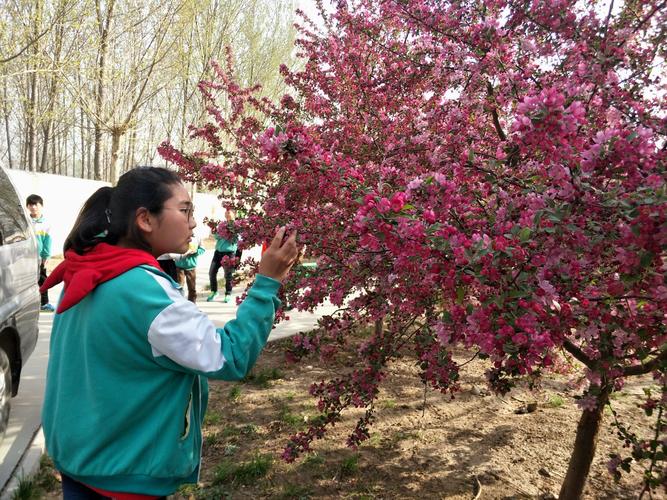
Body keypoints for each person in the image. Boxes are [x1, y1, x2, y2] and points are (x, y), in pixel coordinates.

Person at [39, 166, 298, 499]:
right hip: (125, 474)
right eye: (185, 210)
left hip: (83, 460)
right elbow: (230, 356)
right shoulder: (145, 293)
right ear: (145, 219)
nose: (193, 223)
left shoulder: (90, 269)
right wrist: (266, 285)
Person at [26, 194, 55, 312]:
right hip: (26, 258)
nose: (33, 207)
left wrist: (46, 256)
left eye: (36, 204)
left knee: (42, 279)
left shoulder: (46, 224)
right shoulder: (25, 221)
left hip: (39, 258)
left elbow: (48, 241)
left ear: (41, 206)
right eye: (30, 204)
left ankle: (44, 303)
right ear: (27, 206)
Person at [207, 208, 239, 303]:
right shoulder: (222, 224)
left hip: (229, 253)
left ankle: (228, 293)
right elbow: (216, 236)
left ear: (234, 214)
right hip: (218, 253)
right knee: (212, 272)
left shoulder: (237, 226)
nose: (227, 213)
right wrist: (219, 232)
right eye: (226, 212)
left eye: (229, 212)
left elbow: (236, 239)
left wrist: (228, 233)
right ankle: (214, 291)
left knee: (228, 275)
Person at [175, 237, 205, 303]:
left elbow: (202, 249)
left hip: (191, 266)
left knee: (192, 288)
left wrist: (195, 252)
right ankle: (179, 304)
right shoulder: (179, 234)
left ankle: (192, 304)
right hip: (179, 266)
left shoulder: (197, 237)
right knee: (179, 287)